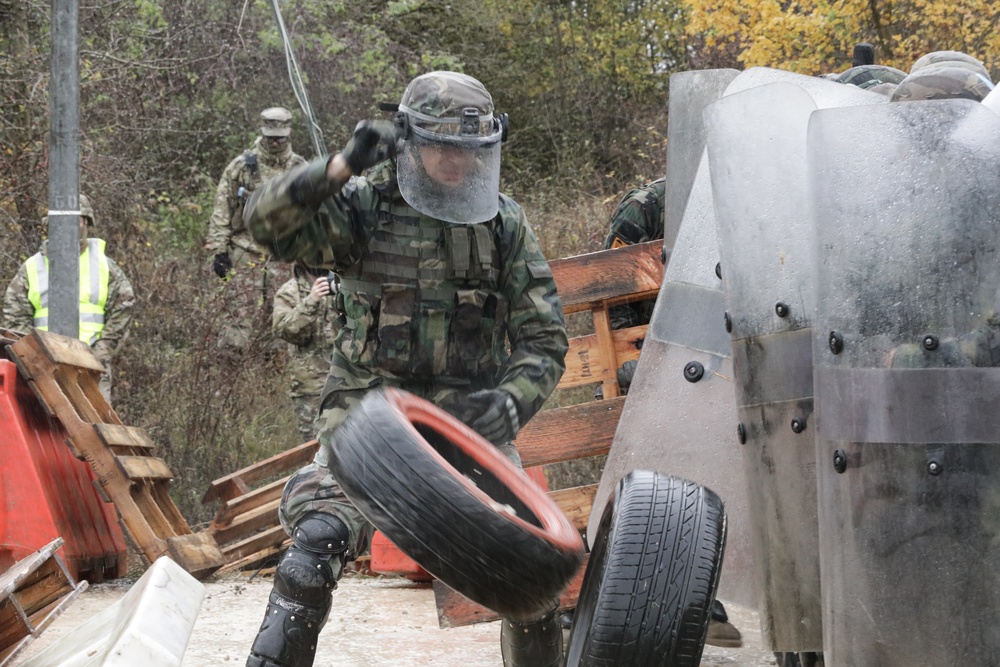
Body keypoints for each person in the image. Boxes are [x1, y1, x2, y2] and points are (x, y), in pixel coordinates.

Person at [242, 71, 569, 667]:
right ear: (411, 141)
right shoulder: (364, 208)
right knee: (312, 547)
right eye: (442, 144)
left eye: (469, 148)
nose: (455, 159)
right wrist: (339, 166)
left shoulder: (504, 225)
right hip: (367, 426)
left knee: (534, 576)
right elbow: (265, 224)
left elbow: (544, 338)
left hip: (470, 432)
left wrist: (512, 402)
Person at [600, 176, 744, 649]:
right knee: (646, 472)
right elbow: (614, 290)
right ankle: (610, 586)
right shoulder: (648, 205)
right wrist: (640, 369)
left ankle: (698, 594)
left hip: (710, 354)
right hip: (647, 352)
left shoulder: (743, 191)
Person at [3, 193, 135, 401]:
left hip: (91, 367)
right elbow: (14, 316)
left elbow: (124, 306)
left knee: (93, 429)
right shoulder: (32, 267)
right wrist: (33, 354)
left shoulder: (105, 266)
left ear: (87, 223)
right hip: (43, 368)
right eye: (62, 220)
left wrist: (102, 350)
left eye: (77, 220)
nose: (70, 226)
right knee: (42, 430)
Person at [206, 107, 308, 349]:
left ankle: (272, 373)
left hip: (284, 255)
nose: (274, 142)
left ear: (289, 133)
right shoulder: (241, 167)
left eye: (279, 137)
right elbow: (222, 209)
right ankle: (232, 371)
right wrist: (218, 251)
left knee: (281, 315)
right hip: (245, 252)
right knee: (237, 316)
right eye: (270, 137)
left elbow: (312, 214)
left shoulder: (301, 169)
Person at [272, 265, 339, 443]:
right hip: (311, 388)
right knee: (314, 448)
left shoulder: (344, 285)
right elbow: (286, 331)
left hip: (348, 383)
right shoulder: (289, 292)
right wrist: (311, 300)